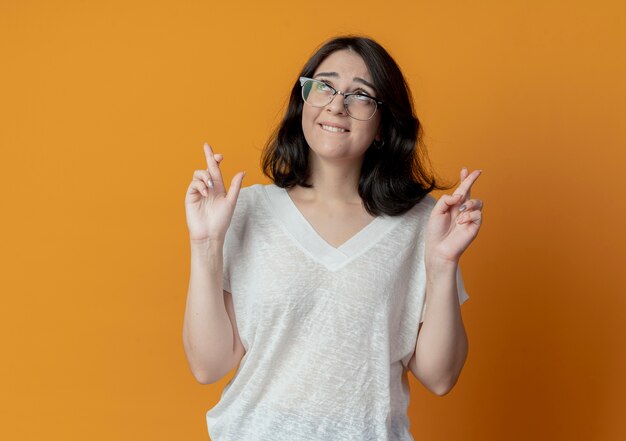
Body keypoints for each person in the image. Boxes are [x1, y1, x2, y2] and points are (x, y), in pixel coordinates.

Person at [183, 35, 484, 440]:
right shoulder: (247, 211)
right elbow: (209, 365)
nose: (336, 104)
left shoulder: (423, 223)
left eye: (361, 95)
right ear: (303, 100)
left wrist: (443, 264)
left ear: (382, 127)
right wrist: (205, 245)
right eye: (323, 85)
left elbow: (440, 376)